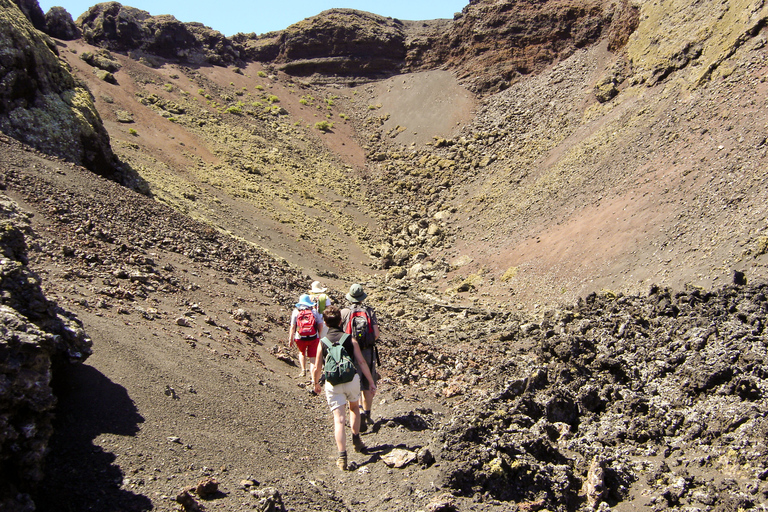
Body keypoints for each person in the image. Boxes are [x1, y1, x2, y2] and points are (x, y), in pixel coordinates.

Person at [312, 305, 376, 471]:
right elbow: (361, 362)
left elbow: (317, 367)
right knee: (354, 407)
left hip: (333, 383)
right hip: (351, 380)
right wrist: (370, 382)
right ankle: (356, 439)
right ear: (341, 321)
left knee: (339, 419)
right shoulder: (350, 339)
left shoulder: (322, 342)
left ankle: (342, 457)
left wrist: (316, 383)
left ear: (325, 323)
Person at [340, 283, 380, 432]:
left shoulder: (344, 312)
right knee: (368, 382)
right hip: (367, 352)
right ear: (362, 297)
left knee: (352, 381)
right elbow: (376, 334)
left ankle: (356, 412)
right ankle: (367, 413)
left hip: (350, 351)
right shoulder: (369, 311)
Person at [287, 294, 324, 378]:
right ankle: (313, 377)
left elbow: (293, 326)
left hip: (299, 337)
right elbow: (320, 324)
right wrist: (320, 335)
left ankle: (303, 370)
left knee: (302, 352)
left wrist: (291, 339)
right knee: (312, 358)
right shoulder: (314, 311)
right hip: (313, 337)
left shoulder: (296, 311)